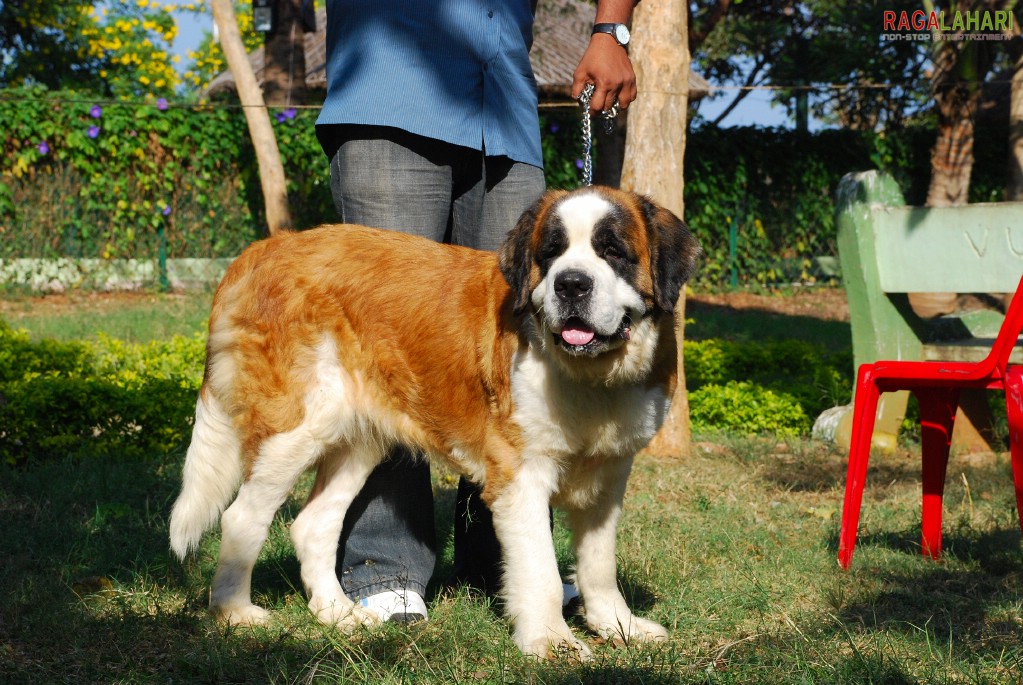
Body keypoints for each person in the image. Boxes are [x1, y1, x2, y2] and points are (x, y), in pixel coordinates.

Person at [314, 0, 639, 623]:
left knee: (518, 340)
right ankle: (383, 563)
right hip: (389, 92)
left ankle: (504, 563)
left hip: (505, 108)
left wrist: (610, 29)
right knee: (391, 344)